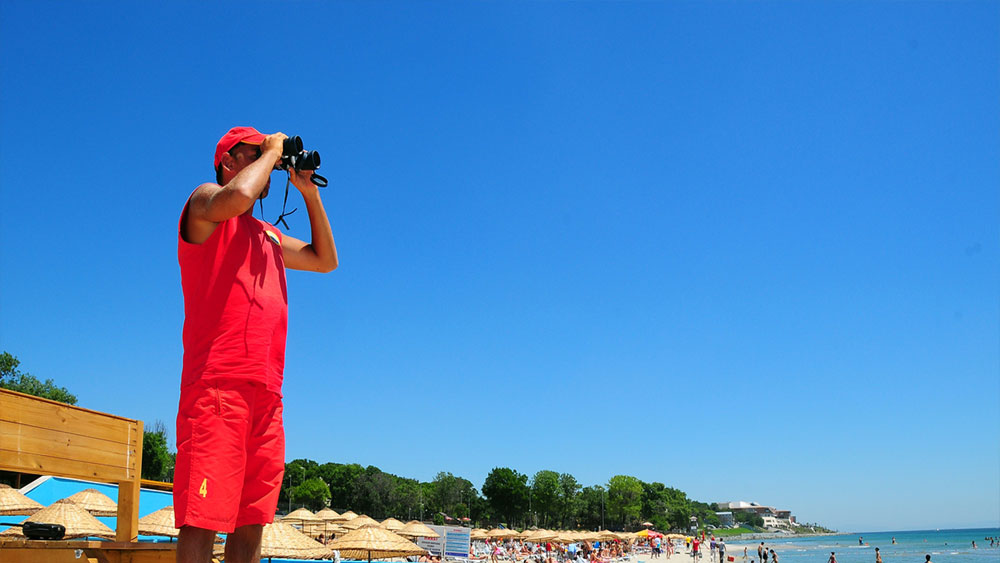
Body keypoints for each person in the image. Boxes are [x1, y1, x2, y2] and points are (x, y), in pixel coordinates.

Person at [174, 126, 338, 563]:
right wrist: (272, 151)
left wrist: (307, 191)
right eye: (254, 151)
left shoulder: (267, 234)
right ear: (228, 161)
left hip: (267, 398)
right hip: (217, 390)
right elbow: (239, 198)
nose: (269, 157)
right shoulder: (204, 202)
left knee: (251, 525)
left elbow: (326, 260)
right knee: (203, 518)